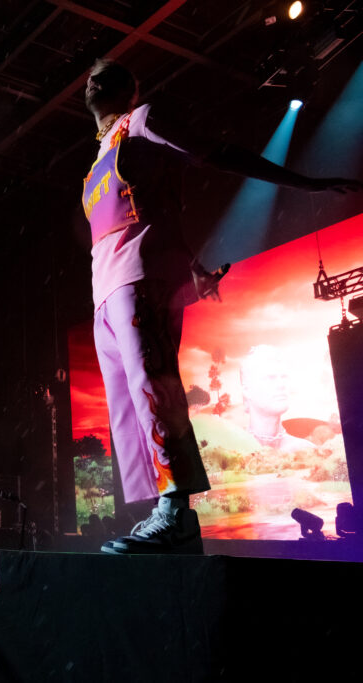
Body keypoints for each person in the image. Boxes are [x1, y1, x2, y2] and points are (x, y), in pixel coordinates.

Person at [82, 58, 360, 555]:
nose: (93, 78)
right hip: (104, 290)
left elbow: (220, 153)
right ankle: (160, 510)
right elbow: (152, 207)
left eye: (108, 73)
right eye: (89, 75)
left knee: (153, 387)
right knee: (125, 407)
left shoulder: (141, 121)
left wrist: (305, 183)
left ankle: (177, 513)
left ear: (131, 88)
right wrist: (194, 268)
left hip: (137, 278)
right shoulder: (98, 157)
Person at [240, 345, 314, 452]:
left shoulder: (307, 451)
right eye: (270, 377)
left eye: (284, 377)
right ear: (247, 390)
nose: (281, 384)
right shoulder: (228, 453)